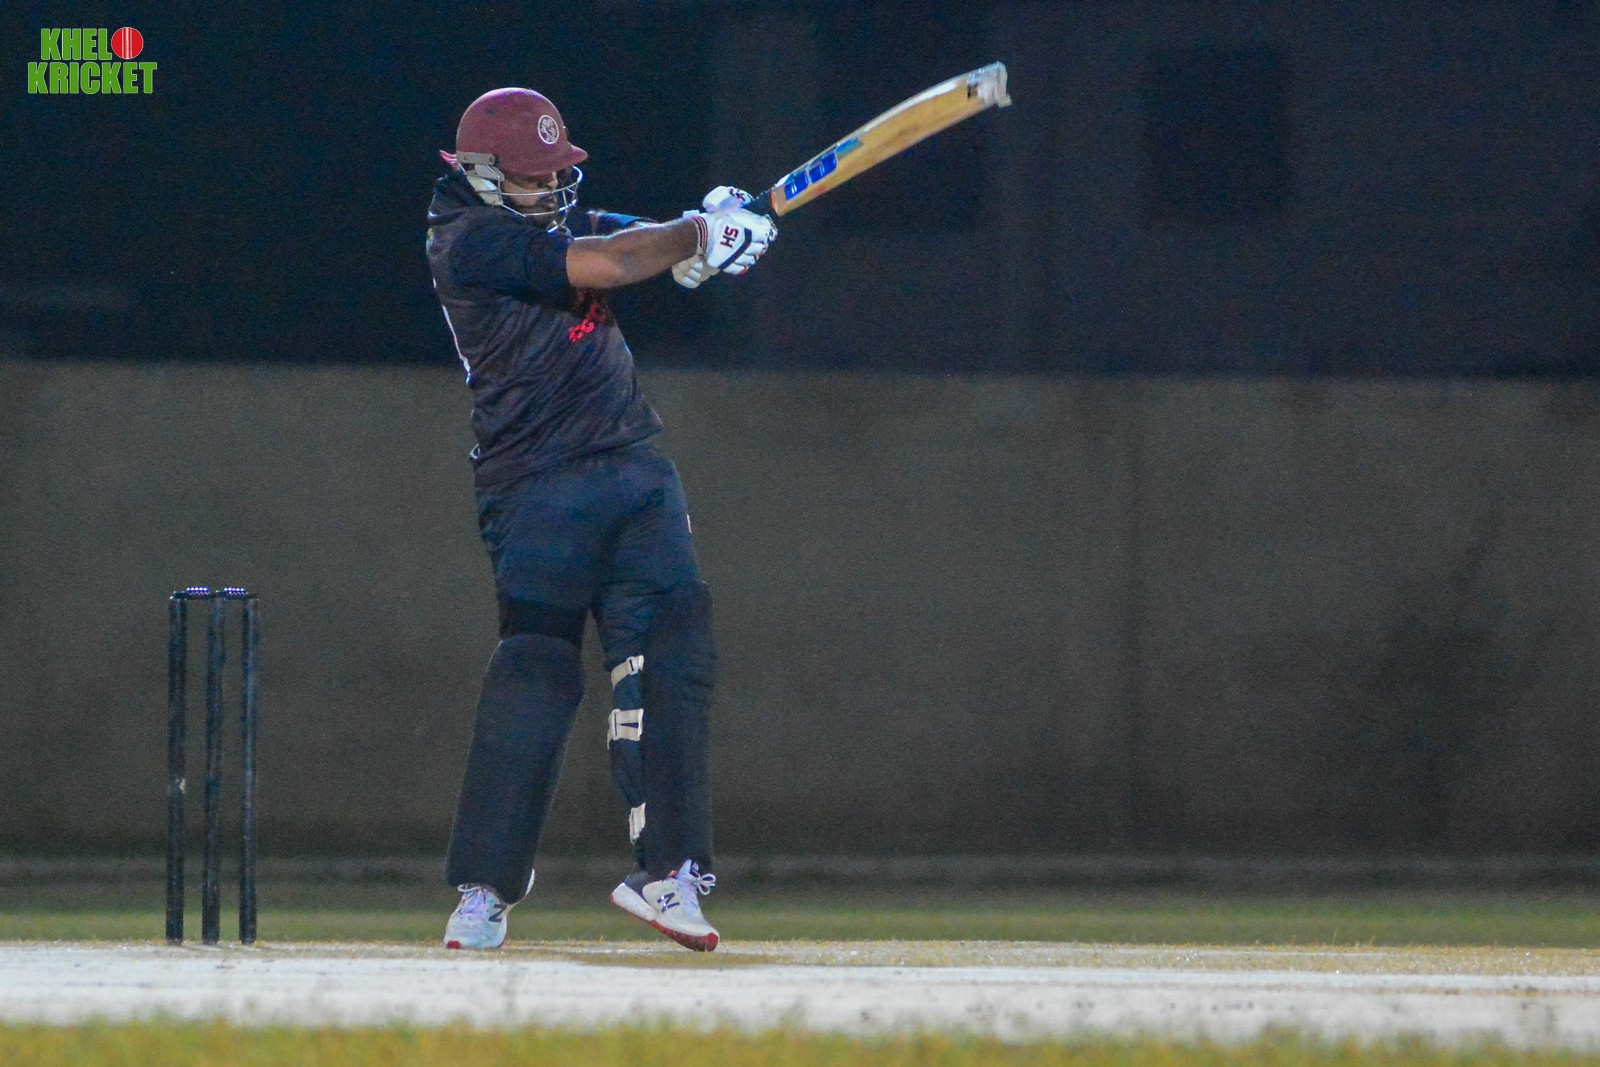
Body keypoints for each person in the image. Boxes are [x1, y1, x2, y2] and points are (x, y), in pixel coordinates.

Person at [424, 87, 775, 952]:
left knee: (676, 647)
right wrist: (696, 236)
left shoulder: (546, 221)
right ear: (482, 174)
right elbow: (610, 264)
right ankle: (484, 890)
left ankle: (670, 872)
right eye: (534, 176)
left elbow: (628, 238)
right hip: (536, 483)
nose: (552, 187)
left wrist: (703, 236)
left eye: (557, 172)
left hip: (633, 466)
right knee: (535, 674)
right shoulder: (468, 241)